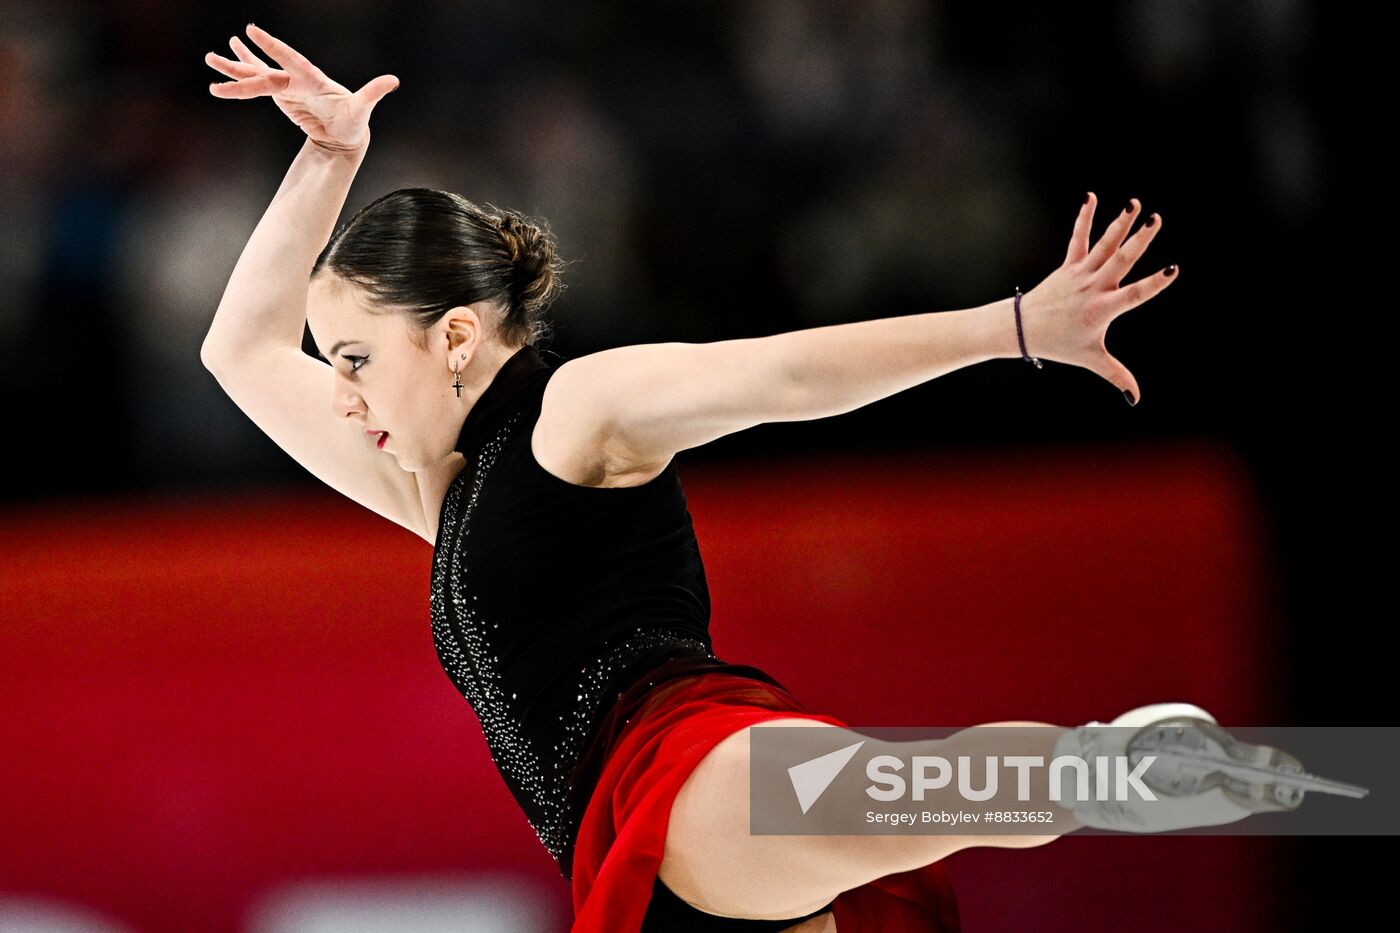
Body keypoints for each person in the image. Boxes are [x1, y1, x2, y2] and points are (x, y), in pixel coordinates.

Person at [201, 25, 1254, 933]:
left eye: (353, 360)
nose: (338, 396)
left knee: (886, 795)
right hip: (628, 869)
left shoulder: (574, 412)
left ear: (458, 337)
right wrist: (331, 156)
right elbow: (239, 352)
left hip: (686, 768)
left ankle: (1105, 769)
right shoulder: (437, 492)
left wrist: (1009, 326)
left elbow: (779, 373)